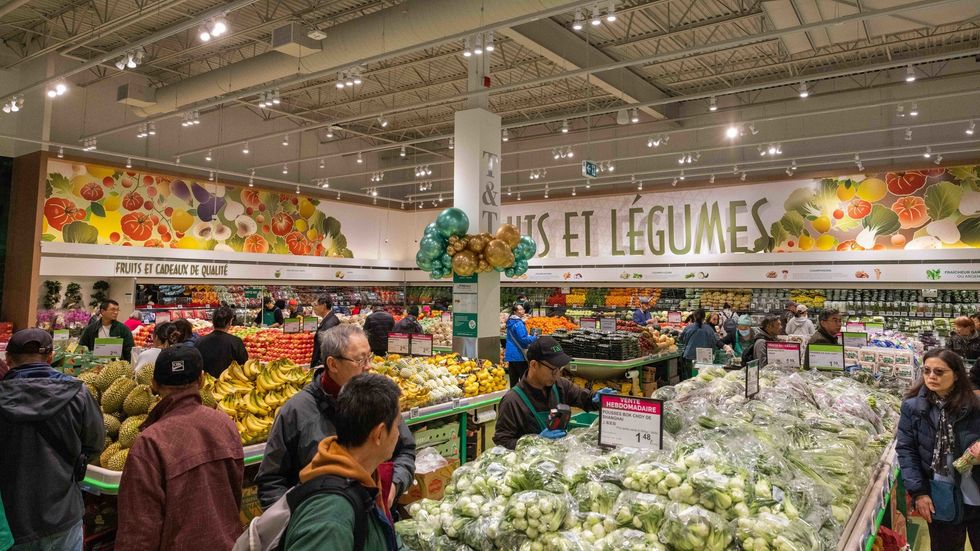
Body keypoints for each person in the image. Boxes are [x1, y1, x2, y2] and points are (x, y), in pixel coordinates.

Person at [256, 325, 416, 511]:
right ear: (332, 364)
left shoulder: (378, 400)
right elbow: (271, 480)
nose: (369, 366)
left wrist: (394, 486)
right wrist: (297, 521)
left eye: (369, 357)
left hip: (374, 518)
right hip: (319, 526)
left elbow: (405, 451)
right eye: (360, 359)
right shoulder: (297, 412)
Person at [116, 346, 244, 551]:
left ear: (154, 384)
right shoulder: (225, 424)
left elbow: (139, 531)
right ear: (202, 380)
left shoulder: (150, 442)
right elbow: (235, 495)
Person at [0, 329, 104, 550]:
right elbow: (95, 445)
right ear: (50, 358)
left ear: (8, 359)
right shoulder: (80, 394)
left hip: (10, 524)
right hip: (63, 515)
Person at [280, 374, 402, 551]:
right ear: (379, 434)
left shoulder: (363, 481)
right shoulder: (330, 518)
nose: (399, 434)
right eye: (397, 424)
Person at [896, 348, 980, 551]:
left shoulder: (975, 405)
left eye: (939, 372)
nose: (931, 376)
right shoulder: (913, 408)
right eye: (927, 371)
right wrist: (918, 493)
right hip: (940, 496)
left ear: (957, 374)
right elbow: (907, 452)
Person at [494, 336, 613, 450]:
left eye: (560, 369)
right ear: (534, 365)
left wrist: (596, 398)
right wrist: (535, 442)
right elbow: (502, 442)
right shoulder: (512, 401)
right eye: (553, 370)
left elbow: (584, 399)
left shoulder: (560, 385)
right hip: (530, 466)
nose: (557, 375)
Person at [195, 306, 249, 378]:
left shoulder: (200, 341)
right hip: (229, 385)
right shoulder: (236, 342)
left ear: (212, 321)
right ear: (230, 322)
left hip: (206, 384)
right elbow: (243, 365)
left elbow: (196, 365)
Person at [680, 309, 728, 377]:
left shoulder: (688, 328)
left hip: (690, 357)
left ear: (694, 317)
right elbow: (716, 341)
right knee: (704, 378)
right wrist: (725, 346)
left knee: (690, 380)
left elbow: (681, 339)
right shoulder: (709, 329)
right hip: (705, 359)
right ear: (704, 317)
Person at [505, 303, 537, 388]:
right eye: (520, 309)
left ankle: (513, 398)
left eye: (523, 309)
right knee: (524, 380)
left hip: (511, 355)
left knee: (513, 380)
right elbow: (523, 339)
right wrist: (534, 338)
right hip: (519, 355)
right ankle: (524, 398)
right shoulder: (518, 323)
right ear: (515, 312)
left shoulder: (510, 322)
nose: (523, 310)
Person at [310, 296, 341, 369]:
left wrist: (320, 366)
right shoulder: (330, 319)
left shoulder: (329, 324)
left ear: (323, 306)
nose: (314, 308)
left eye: (316, 305)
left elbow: (326, 348)